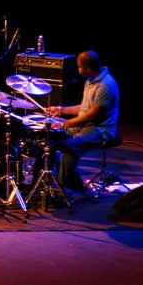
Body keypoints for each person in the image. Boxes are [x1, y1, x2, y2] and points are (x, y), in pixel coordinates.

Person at [46, 50, 120, 202]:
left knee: (69, 146)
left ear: (87, 69)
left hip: (101, 129)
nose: (78, 69)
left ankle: (67, 191)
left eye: (79, 67)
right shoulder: (91, 80)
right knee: (54, 139)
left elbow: (92, 115)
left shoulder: (105, 85)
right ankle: (73, 187)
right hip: (88, 124)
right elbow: (85, 108)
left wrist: (64, 124)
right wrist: (61, 110)